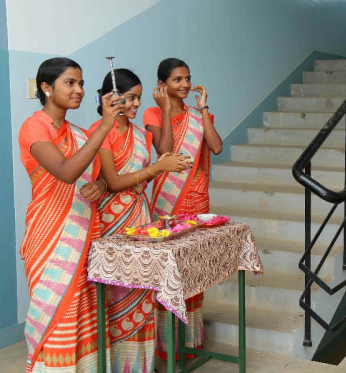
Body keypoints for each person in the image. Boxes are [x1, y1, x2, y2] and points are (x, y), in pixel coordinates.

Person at [17, 57, 125, 371]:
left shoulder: (77, 133)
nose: (79, 90)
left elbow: (98, 176)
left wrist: (100, 186)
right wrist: (105, 126)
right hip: (50, 237)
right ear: (46, 88)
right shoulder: (34, 127)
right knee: (55, 314)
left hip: (84, 233)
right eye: (70, 83)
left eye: (81, 83)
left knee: (83, 315)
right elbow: (66, 172)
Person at [88, 68, 192, 372]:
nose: (136, 104)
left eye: (138, 98)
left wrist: (163, 165)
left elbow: (150, 166)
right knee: (117, 290)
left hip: (139, 216)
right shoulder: (100, 130)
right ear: (112, 98)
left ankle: (140, 366)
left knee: (143, 287)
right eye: (131, 98)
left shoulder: (137, 133)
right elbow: (113, 182)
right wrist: (157, 169)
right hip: (111, 220)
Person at [143, 58, 223, 359]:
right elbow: (164, 150)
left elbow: (216, 147)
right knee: (167, 269)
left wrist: (203, 109)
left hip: (197, 196)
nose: (186, 85)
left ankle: (189, 342)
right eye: (177, 79)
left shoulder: (198, 114)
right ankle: (166, 345)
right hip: (168, 198)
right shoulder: (152, 113)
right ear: (162, 84)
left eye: (188, 78)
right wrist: (165, 109)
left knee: (193, 267)